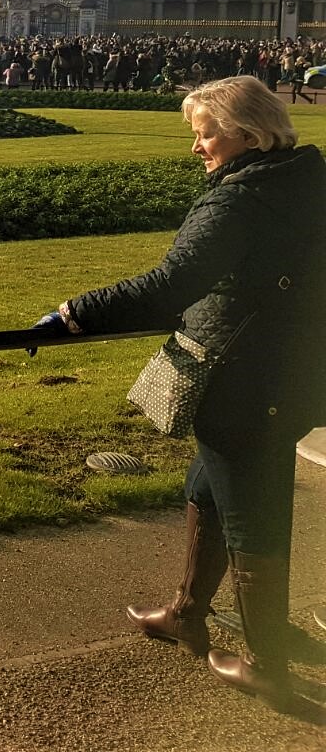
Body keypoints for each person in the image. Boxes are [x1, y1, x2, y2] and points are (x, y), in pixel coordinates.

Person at [34, 75, 326, 712]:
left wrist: (77, 310)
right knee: (205, 486)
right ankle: (188, 614)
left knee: (253, 511)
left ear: (247, 134)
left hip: (243, 376)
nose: (198, 147)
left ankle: (267, 664)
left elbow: (172, 283)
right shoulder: (306, 177)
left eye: (206, 133)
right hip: (291, 369)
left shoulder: (239, 200)